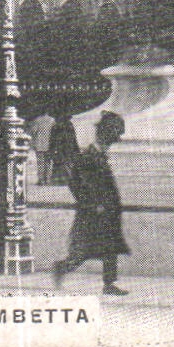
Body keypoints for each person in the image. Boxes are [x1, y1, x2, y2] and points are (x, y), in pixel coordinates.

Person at [52, 111, 130, 296]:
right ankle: (63, 267)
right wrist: (93, 204)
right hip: (95, 212)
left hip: (105, 211)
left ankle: (108, 283)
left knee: (109, 246)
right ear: (106, 135)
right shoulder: (89, 156)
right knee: (87, 249)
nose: (115, 141)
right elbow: (76, 185)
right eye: (114, 136)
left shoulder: (96, 155)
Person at [47, 114, 79, 185]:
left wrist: (51, 149)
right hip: (68, 147)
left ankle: (58, 180)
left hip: (59, 147)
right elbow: (73, 138)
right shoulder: (69, 125)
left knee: (58, 163)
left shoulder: (56, 126)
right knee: (66, 162)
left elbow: (52, 139)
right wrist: (76, 148)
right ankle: (67, 179)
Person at [31, 114, 56, 184]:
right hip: (49, 145)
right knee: (48, 163)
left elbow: (33, 131)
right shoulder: (52, 120)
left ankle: (41, 180)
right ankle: (48, 179)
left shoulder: (37, 120)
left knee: (40, 163)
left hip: (39, 144)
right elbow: (54, 133)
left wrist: (34, 141)